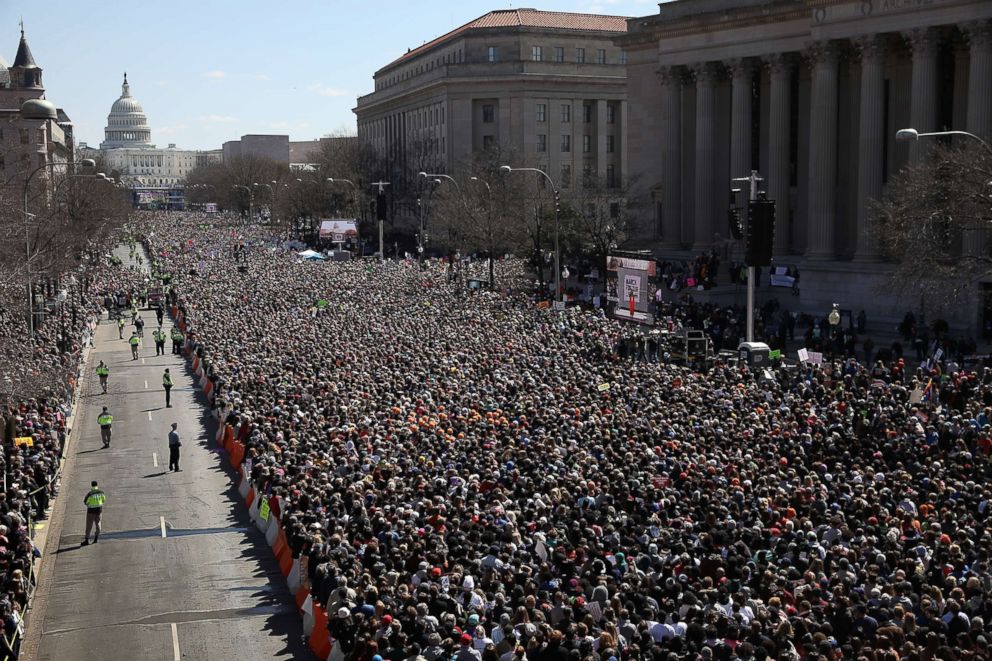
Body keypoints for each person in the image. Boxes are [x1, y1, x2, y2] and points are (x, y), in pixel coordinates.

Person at [82, 481, 106, 546]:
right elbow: (104, 500)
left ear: (91, 486)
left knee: (89, 525)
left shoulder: (90, 494)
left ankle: (87, 540)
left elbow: (85, 502)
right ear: (97, 485)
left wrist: (89, 504)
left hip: (91, 511)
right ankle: (96, 538)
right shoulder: (101, 492)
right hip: (99, 511)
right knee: (98, 524)